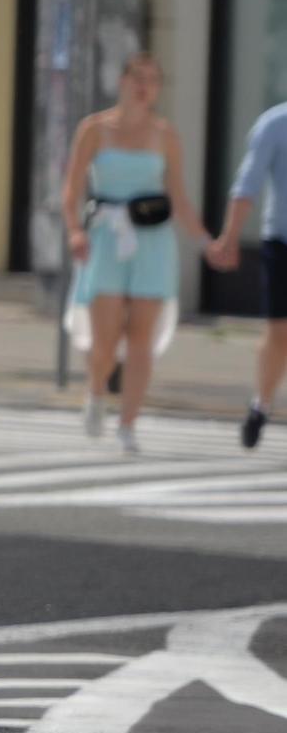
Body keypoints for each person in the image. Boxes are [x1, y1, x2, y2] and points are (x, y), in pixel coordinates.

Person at [59, 53, 217, 452]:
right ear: (123, 81)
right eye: (137, 78)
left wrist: (205, 242)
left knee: (141, 340)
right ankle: (96, 391)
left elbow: (178, 198)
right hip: (107, 238)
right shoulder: (94, 129)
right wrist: (75, 231)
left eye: (152, 80)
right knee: (105, 344)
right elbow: (71, 190)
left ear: (158, 89)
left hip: (152, 240)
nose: (143, 86)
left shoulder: (166, 135)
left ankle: (128, 424)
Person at [205, 95, 286, 449]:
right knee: (280, 333)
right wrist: (230, 236)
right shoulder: (274, 123)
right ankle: (261, 406)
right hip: (282, 242)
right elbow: (247, 182)